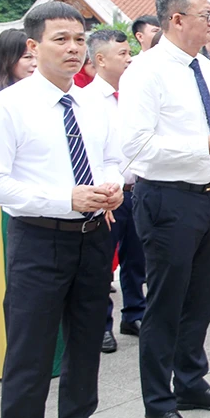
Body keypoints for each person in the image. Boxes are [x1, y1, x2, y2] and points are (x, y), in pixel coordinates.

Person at [0, 2, 124, 418]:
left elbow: (111, 159)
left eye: (79, 39)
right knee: (31, 350)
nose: (73, 48)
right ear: (34, 47)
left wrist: (111, 185)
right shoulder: (7, 107)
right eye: (61, 39)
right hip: (39, 238)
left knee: (87, 337)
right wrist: (65, 198)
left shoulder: (93, 103)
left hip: (93, 235)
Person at [120, 0, 210, 418]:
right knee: (165, 304)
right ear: (177, 19)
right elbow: (134, 147)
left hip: (207, 192)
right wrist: (202, 147)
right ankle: (158, 404)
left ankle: (191, 382)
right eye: (205, 16)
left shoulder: (206, 69)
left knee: (198, 299)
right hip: (165, 199)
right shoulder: (146, 71)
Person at [0, 29, 55, 381]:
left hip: (49, 199)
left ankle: (53, 358)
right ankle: (13, 360)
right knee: (13, 281)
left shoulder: (44, 95)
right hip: (8, 202)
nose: (33, 64)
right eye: (26, 58)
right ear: (8, 58)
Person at [85, 29, 145, 354]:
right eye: (121, 54)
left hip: (139, 188)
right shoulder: (87, 100)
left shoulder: (136, 93)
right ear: (100, 59)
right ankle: (101, 324)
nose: (129, 58)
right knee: (103, 261)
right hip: (107, 194)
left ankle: (134, 313)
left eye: (128, 52)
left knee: (137, 257)